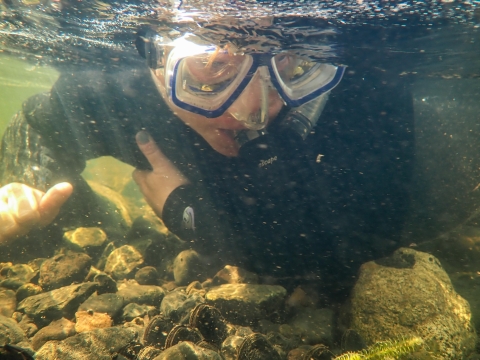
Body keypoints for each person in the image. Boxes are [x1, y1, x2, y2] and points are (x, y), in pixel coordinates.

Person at [0, 23, 415, 302]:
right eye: (213, 71)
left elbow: (361, 242)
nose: (256, 110)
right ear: (157, 64)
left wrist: (184, 212)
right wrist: (25, 182)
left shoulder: (360, 87)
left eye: (287, 63)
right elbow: (38, 124)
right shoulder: (111, 90)